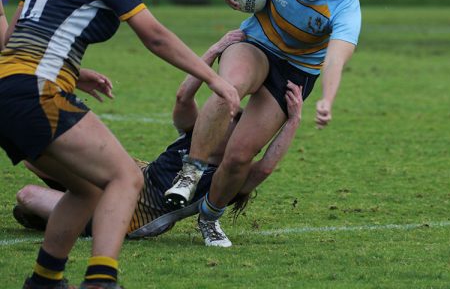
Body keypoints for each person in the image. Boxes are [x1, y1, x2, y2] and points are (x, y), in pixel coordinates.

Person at [0, 0, 239, 288]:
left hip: (10, 88)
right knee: (126, 178)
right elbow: (156, 37)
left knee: (88, 187)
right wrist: (214, 77)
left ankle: (45, 279)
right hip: (37, 91)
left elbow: (16, 40)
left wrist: (77, 73)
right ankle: (101, 280)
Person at [164, 0, 398, 228]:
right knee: (229, 88)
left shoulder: (345, 6)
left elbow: (336, 58)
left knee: (240, 156)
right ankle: (190, 172)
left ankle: (209, 218)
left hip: (294, 72)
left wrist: (327, 99)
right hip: (254, 45)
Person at [12, 30, 305, 248]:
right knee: (32, 156)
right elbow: (183, 96)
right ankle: (65, 208)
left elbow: (265, 166)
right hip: (127, 175)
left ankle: (63, 216)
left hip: (130, 215)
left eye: (231, 115)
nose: (220, 114)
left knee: (26, 196)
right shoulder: (196, 136)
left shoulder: (227, 179)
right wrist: (214, 52)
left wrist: (293, 120)